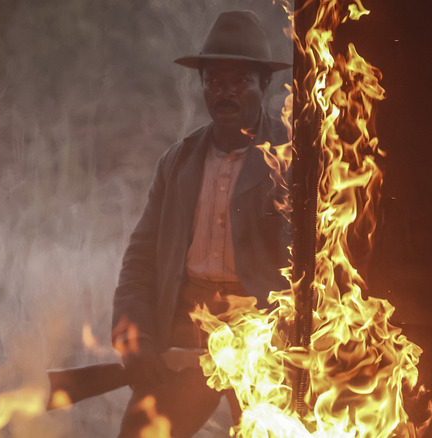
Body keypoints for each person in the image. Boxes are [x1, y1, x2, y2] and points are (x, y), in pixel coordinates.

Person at [111, 10, 292, 438]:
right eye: (213, 81)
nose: (223, 93)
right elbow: (140, 260)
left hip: (266, 340)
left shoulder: (291, 159)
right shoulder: (177, 163)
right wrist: (133, 334)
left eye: (238, 82)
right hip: (186, 337)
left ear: (264, 85)